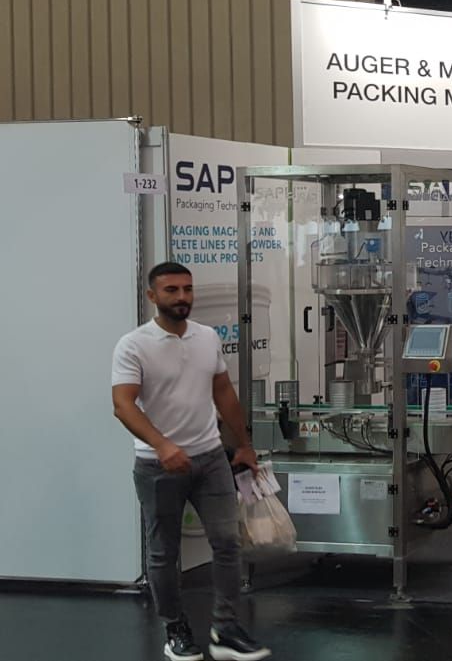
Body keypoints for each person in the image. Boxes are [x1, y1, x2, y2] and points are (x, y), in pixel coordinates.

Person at [111, 263, 272, 661]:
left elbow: (224, 392)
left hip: (211, 458)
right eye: (171, 290)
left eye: (187, 289)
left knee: (228, 543)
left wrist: (244, 445)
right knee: (163, 553)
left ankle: (226, 629)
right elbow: (123, 404)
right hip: (157, 466)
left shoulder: (207, 337)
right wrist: (162, 445)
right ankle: (175, 629)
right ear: (152, 296)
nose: (182, 297)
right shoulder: (133, 345)